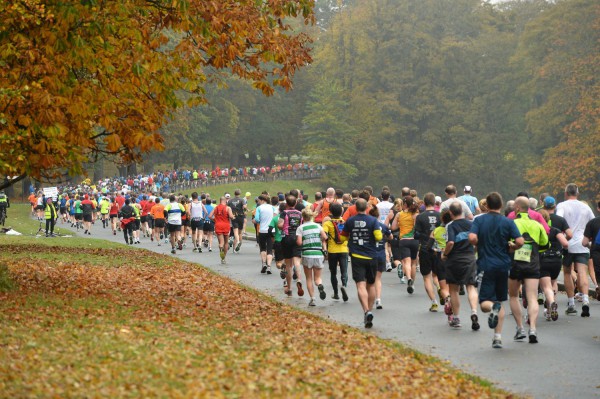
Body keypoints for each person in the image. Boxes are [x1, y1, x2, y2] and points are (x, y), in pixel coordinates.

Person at [469, 192, 523, 349]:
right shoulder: (508, 222)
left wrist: (480, 241)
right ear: (500, 205)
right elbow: (520, 241)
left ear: (487, 205)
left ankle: (493, 309)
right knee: (500, 300)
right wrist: (512, 246)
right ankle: (497, 337)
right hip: (504, 265)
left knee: (485, 302)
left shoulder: (480, 220)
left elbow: (472, 238)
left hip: (486, 265)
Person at [509, 196, 548, 343]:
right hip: (533, 264)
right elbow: (545, 244)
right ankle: (533, 328)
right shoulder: (537, 225)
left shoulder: (512, 223)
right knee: (532, 297)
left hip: (515, 263)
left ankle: (520, 329)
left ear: (518, 208)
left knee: (513, 296)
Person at [341, 198, 383, 328]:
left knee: (360, 285)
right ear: (367, 208)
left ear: (355, 208)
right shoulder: (373, 221)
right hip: (371, 256)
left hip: (356, 256)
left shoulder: (350, 221)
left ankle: (366, 311)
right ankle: (369, 310)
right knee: (370, 285)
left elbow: (343, 237)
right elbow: (379, 237)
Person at [556, 183, 595, 317]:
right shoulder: (585, 206)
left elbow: (559, 220)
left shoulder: (562, 205)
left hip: (567, 243)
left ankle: (571, 303)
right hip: (582, 244)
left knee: (567, 272)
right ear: (577, 194)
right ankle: (585, 300)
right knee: (582, 272)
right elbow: (593, 222)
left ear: (566, 193)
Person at [441, 202, 479, 330]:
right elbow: (476, 241)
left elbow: (450, 242)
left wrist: (445, 254)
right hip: (469, 257)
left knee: (454, 290)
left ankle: (456, 318)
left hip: (455, 259)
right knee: (471, 287)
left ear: (451, 213)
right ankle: (474, 311)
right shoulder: (472, 224)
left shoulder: (450, 226)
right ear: (462, 211)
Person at [538, 209, 568, 321]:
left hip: (543, 260)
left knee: (546, 287)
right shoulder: (555, 230)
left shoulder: (538, 231)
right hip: (556, 260)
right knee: (553, 282)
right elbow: (565, 243)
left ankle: (551, 303)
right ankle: (550, 311)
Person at [414, 193, 442, 312]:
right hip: (438, 249)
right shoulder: (440, 216)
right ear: (435, 203)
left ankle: (434, 302)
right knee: (437, 275)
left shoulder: (420, 217)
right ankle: (440, 288)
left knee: (427, 277)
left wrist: (424, 237)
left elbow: (416, 235)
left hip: (425, 248)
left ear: (424, 204)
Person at [296, 208, 328, 306]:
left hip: (307, 254)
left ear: (303, 217)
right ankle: (320, 285)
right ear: (311, 216)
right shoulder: (318, 226)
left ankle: (312, 299)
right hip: (318, 253)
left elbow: (299, 242)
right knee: (317, 278)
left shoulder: (300, 228)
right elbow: (325, 237)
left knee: (309, 278)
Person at [391, 195, 420, 295]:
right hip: (414, 240)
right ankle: (412, 284)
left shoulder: (399, 214)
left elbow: (393, 227)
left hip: (403, 240)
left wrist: (400, 224)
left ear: (405, 204)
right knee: (413, 263)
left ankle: (408, 278)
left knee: (406, 262)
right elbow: (418, 227)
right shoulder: (416, 215)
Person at [278, 195, 304, 297]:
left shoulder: (284, 213)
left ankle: (289, 288)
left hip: (287, 238)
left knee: (288, 264)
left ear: (287, 204)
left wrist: (283, 227)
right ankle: (299, 279)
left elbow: (280, 225)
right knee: (297, 261)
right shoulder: (300, 213)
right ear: (296, 203)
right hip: (297, 237)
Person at [323, 203, 349, 302]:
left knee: (333, 273)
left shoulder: (327, 223)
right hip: (343, 250)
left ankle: (336, 293)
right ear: (341, 211)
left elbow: (324, 235)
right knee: (344, 271)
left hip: (332, 251)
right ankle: (344, 286)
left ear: (330, 212)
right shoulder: (344, 222)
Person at [369, 206, 393, 309]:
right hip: (381, 254)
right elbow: (391, 237)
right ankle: (378, 300)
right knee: (378, 278)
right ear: (378, 216)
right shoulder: (383, 226)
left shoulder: (368, 226)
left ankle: (370, 299)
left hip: (370, 254)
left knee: (369, 279)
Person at [582, 200, 600, 303]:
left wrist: (591, 245)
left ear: (598, 208)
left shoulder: (592, 222)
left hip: (596, 250)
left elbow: (584, 243)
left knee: (598, 270)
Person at [209, 196, 234, 263]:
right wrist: (233, 217)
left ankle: (220, 248)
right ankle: (223, 258)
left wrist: (215, 220)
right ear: (225, 201)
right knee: (226, 242)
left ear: (219, 201)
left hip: (218, 225)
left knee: (221, 242)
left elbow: (209, 216)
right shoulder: (228, 208)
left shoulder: (216, 208)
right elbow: (231, 216)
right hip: (226, 225)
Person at [254, 194, 275, 274]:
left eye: (259, 200)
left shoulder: (259, 208)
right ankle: (269, 266)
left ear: (262, 200)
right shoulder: (272, 207)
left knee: (263, 248)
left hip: (262, 230)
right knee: (270, 249)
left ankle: (263, 263)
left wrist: (260, 221)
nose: (258, 202)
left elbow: (256, 219)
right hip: (271, 230)